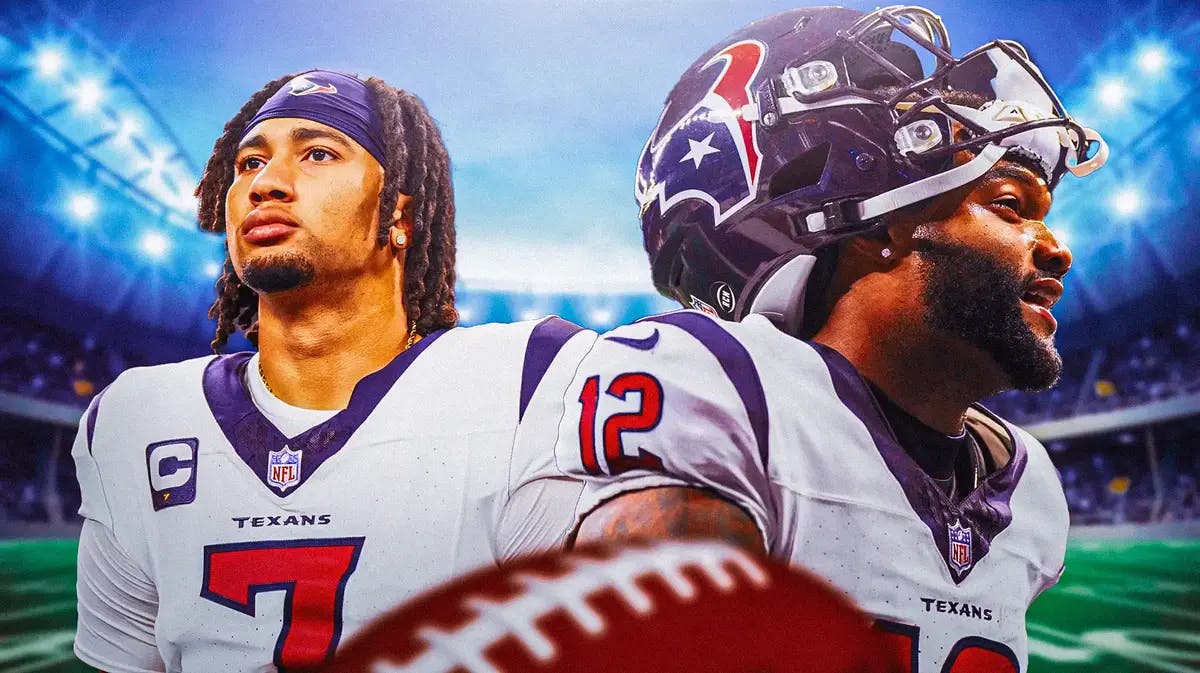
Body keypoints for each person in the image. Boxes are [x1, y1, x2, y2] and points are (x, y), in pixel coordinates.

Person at [501, 6, 1109, 673]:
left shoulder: (1028, 489)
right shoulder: (716, 391)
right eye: (1010, 205)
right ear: (880, 228)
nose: (1057, 250)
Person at [71, 70, 593, 672]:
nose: (266, 183)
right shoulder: (136, 417)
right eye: (249, 165)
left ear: (399, 213)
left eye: (318, 153)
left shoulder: (529, 382)